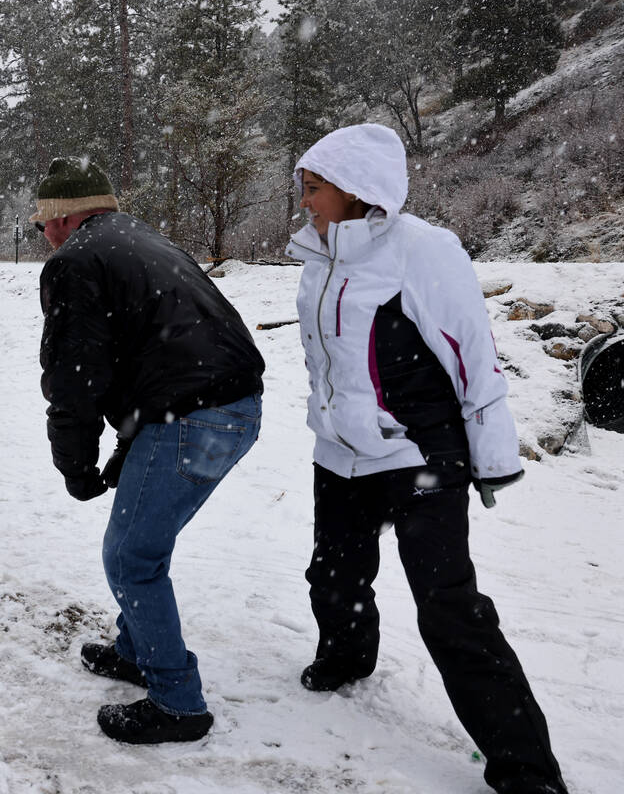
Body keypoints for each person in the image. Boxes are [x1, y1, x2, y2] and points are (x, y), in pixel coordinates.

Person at [285, 124, 566, 794]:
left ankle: (526, 767)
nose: (305, 201)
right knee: (334, 572)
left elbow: (472, 353)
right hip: (341, 451)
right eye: (305, 186)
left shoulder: (423, 251)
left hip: (418, 452)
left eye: (315, 187)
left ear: (355, 191)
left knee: (448, 607)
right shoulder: (318, 255)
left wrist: (491, 455)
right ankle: (348, 656)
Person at [34, 156, 265, 744]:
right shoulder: (144, 240)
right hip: (236, 410)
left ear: (62, 219)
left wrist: (76, 466)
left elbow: (75, 376)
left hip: (192, 419)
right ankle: (136, 651)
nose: (43, 236)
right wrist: (123, 451)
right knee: (143, 542)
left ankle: (177, 701)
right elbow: (158, 358)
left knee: (132, 557)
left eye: (42, 224)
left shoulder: (75, 261)